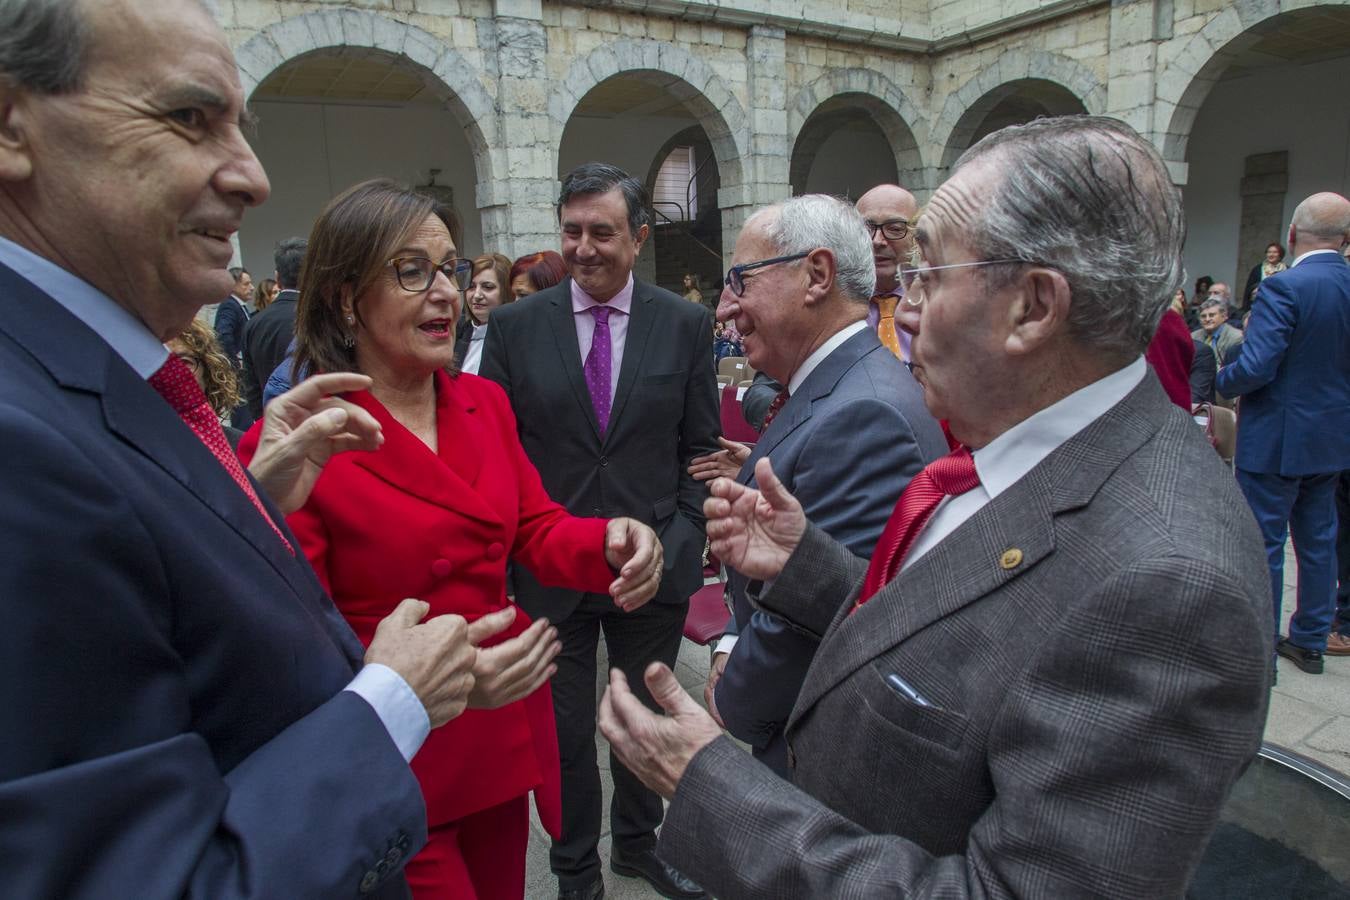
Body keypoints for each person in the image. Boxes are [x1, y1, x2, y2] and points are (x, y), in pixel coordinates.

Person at [596, 116, 1272, 899]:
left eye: (928, 276)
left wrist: (713, 787)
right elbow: (962, 638)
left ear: (1032, 308)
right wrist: (809, 566)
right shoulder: (1023, 446)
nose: (901, 308)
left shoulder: (1172, 588)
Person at [0, 1, 518, 895]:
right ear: (13, 126)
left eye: (240, 126)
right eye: (189, 118)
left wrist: (244, 494)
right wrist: (391, 701)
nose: (251, 177)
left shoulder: (115, 382)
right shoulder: (20, 442)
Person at [239, 179, 663, 900]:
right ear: (346, 297)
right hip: (394, 761)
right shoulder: (299, 443)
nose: (446, 294)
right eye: (412, 272)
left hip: (494, 744)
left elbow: (531, 526)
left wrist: (611, 543)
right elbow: (291, 644)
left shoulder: (482, 403)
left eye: (450, 269)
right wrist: (449, 683)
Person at [480, 162, 719, 900]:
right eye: (572, 231)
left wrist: (678, 540)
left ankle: (638, 845)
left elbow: (700, 453)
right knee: (562, 737)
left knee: (643, 721)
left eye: (603, 233)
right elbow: (497, 450)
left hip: (650, 570)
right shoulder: (516, 327)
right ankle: (575, 868)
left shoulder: (683, 324)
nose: (584, 248)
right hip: (549, 573)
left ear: (639, 237)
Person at [688, 194, 946, 775]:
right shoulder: (831, 386)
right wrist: (731, 638)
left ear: (817, 275)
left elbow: (815, 619)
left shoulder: (864, 417)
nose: (726, 307)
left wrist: (736, 701)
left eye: (741, 280)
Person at [1217, 192, 1350, 676]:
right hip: (1332, 437)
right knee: (1319, 539)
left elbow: (1258, 366)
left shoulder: (1284, 288)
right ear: (1345, 240)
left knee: (1264, 541)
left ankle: (1261, 650)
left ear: (1291, 237)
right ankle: (1311, 641)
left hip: (1277, 435)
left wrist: (1223, 379)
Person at [241, 236, 305, 418]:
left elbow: (251, 386)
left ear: (277, 277)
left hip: (270, 423)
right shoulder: (318, 318)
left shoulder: (253, 323)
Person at [855, 183, 919, 361]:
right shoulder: (835, 307)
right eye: (867, 228)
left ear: (917, 236)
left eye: (895, 229)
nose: (877, 241)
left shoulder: (935, 303)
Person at [169, 318, 245, 447]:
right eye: (159, 364)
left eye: (184, 362)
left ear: (209, 373)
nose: (170, 375)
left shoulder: (240, 448)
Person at [455, 252, 511, 375]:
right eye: (471, 287)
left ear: (506, 291)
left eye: (487, 287)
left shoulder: (515, 339)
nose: (477, 295)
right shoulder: (457, 335)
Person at [214, 265, 252, 365]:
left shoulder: (239, 305)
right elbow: (223, 335)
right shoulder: (229, 305)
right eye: (246, 284)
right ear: (233, 285)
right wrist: (235, 363)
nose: (252, 288)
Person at [1193, 296, 1244, 365]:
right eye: (1203, 316)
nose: (1207, 319)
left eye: (1211, 315)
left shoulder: (1236, 337)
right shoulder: (1193, 336)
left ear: (1224, 316)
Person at [1242, 241, 1287, 309]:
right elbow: (1249, 290)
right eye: (1269, 252)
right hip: (1260, 304)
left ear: (1280, 254)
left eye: (1275, 252)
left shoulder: (1287, 270)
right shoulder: (1257, 269)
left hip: (1279, 305)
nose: (1271, 254)